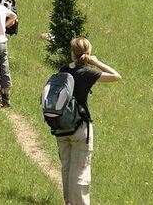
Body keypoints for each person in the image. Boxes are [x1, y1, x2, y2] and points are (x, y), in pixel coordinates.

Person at [57, 38, 122, 205]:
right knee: (80, 171)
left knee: (66, 167)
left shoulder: (63, 70)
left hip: (61, 126)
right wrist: (96, 62)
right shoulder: (87, 73)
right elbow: (116, 76)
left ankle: (68, 202)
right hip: (80, 127)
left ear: (72, 53)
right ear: (88, 53)